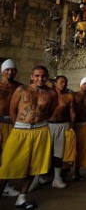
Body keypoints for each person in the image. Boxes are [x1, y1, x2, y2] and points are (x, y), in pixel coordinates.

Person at [0, 66, 57, 209]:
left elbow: (49, 112)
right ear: (32, 76)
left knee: (34, 166)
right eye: (37, 76)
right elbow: (12, 110)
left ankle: (21, 198)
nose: (40, 78)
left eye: (43, 76)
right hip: (20, 130)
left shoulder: (52, 93)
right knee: (8, 165)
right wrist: (20, 126)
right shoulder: (22, 90)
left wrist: (38, 124)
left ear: (47, 77)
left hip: (41, 131)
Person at [48, 75, 76, 189]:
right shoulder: (49, 94)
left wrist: (72, 126)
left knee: (59, 154)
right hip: (48, 125)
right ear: (55, 83)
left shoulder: (69, 96)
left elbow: (72, 112)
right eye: (61, 82)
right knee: (44, 152)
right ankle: (36, 178)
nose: (64, 84)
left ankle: (57, 178)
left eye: (65, 82)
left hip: (63, 125)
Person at [0, 59, 22, 197]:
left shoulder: (19, 87)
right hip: (0, 123)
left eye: (13, 70)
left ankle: (6, 185)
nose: (10, 72)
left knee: (9, 156)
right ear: (2, 71)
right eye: (7, 70)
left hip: (14, 124)